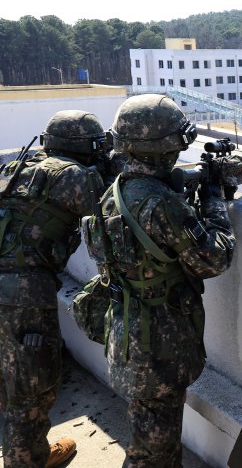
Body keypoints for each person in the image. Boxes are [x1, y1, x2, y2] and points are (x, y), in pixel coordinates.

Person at [82, 94, 235, 467]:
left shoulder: (115, 192)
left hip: (128, 336)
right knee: (154, 454)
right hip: (157, 348)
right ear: (165, 148)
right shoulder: (159, 204)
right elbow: (215, 257)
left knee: (151, 439)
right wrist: (215, 200)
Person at [0, 110, 107, 467]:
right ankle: (27, 460)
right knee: (31, 387)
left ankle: (30, 453)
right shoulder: (75, 177)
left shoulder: (18, 167)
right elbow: (112, 219)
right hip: (23, 294)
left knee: (7, 376)